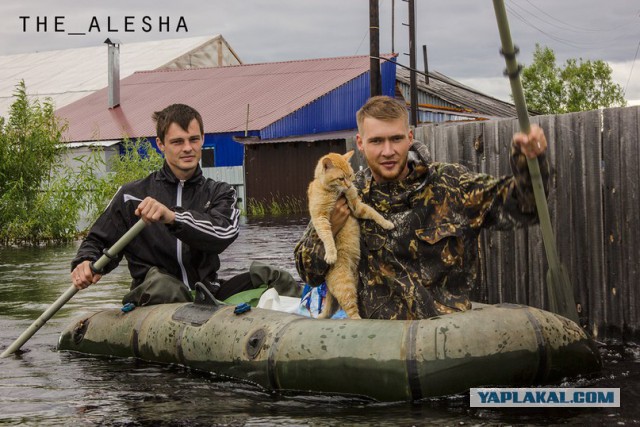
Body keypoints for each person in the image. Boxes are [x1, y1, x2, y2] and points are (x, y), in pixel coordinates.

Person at [294, 95, 549, 320]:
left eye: (396, 139)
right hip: (375, 348)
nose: (388, 151)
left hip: (448, 344)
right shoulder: (346, 196)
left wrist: (528, 164)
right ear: (360, 143)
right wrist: (330, 228)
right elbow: (309, 273)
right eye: (376, 141)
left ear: (410, 138)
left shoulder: (450, 184)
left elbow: (524, 208)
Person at [70, 103, 252, 306]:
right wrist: (85, 262)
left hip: (205, 292)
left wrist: (173, 218)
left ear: (202, 138)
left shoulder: (221, 192)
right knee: (165, 285)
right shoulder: (130, 196)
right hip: (154, 296)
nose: (187, 148)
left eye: (193, 139)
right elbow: (96, 241)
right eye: (177, 142)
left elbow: (224, 233)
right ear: (161, 144)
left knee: (271, 276)